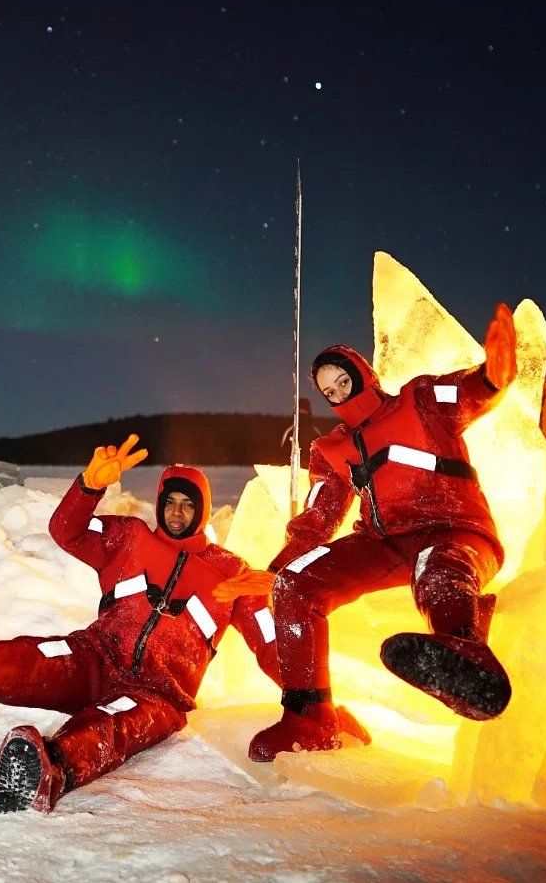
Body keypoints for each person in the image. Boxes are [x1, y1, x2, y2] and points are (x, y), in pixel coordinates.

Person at [0, 434, 285, 814]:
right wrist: (90, 486)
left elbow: (271, 644)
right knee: (30, 657)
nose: (177, 512)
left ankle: (48, 772)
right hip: (94, 655)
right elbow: (67, 530)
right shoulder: (129, 537)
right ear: (159, 503)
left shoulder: (232, 573)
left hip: (157, 694)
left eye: (188, 504)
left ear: (203, 510)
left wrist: (309, 700)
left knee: (113, 726)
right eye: (171, 502)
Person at [218, 304, 517, 760]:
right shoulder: (332, 449)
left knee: (437, 566)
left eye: (343, 381)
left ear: (363, 374)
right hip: (384, 541)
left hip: (456, 530)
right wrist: (278, 570)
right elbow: (318, 517)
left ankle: (463, 656)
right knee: (296, 586)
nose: (338, 393)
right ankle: (310, 719)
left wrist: (495, 372)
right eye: (329, 391)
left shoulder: (421, 401)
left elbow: (474, 391)